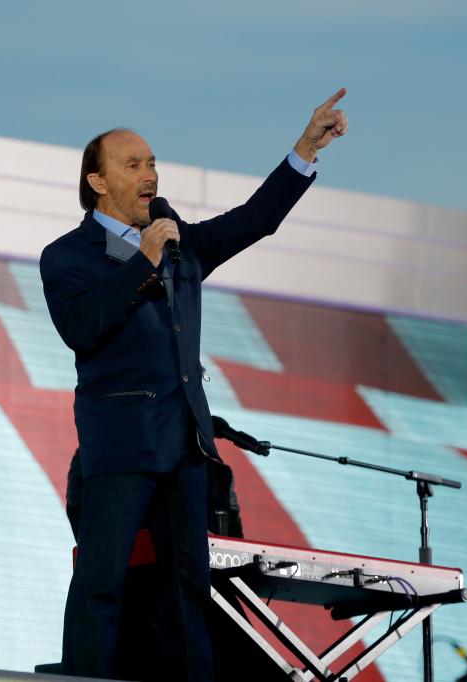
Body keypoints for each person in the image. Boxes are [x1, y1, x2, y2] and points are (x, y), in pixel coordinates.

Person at [39, 88, 348, 681]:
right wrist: (142, 263)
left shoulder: (181, 245)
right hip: (119, 448)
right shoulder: (67, 257)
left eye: (152, 163)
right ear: (98, 182)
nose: (150, 174)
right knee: (101, 583)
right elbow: (82, 328)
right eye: (133, 165)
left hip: (184, 446)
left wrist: (305, 148)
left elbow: (256, 221)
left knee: (188, 589)